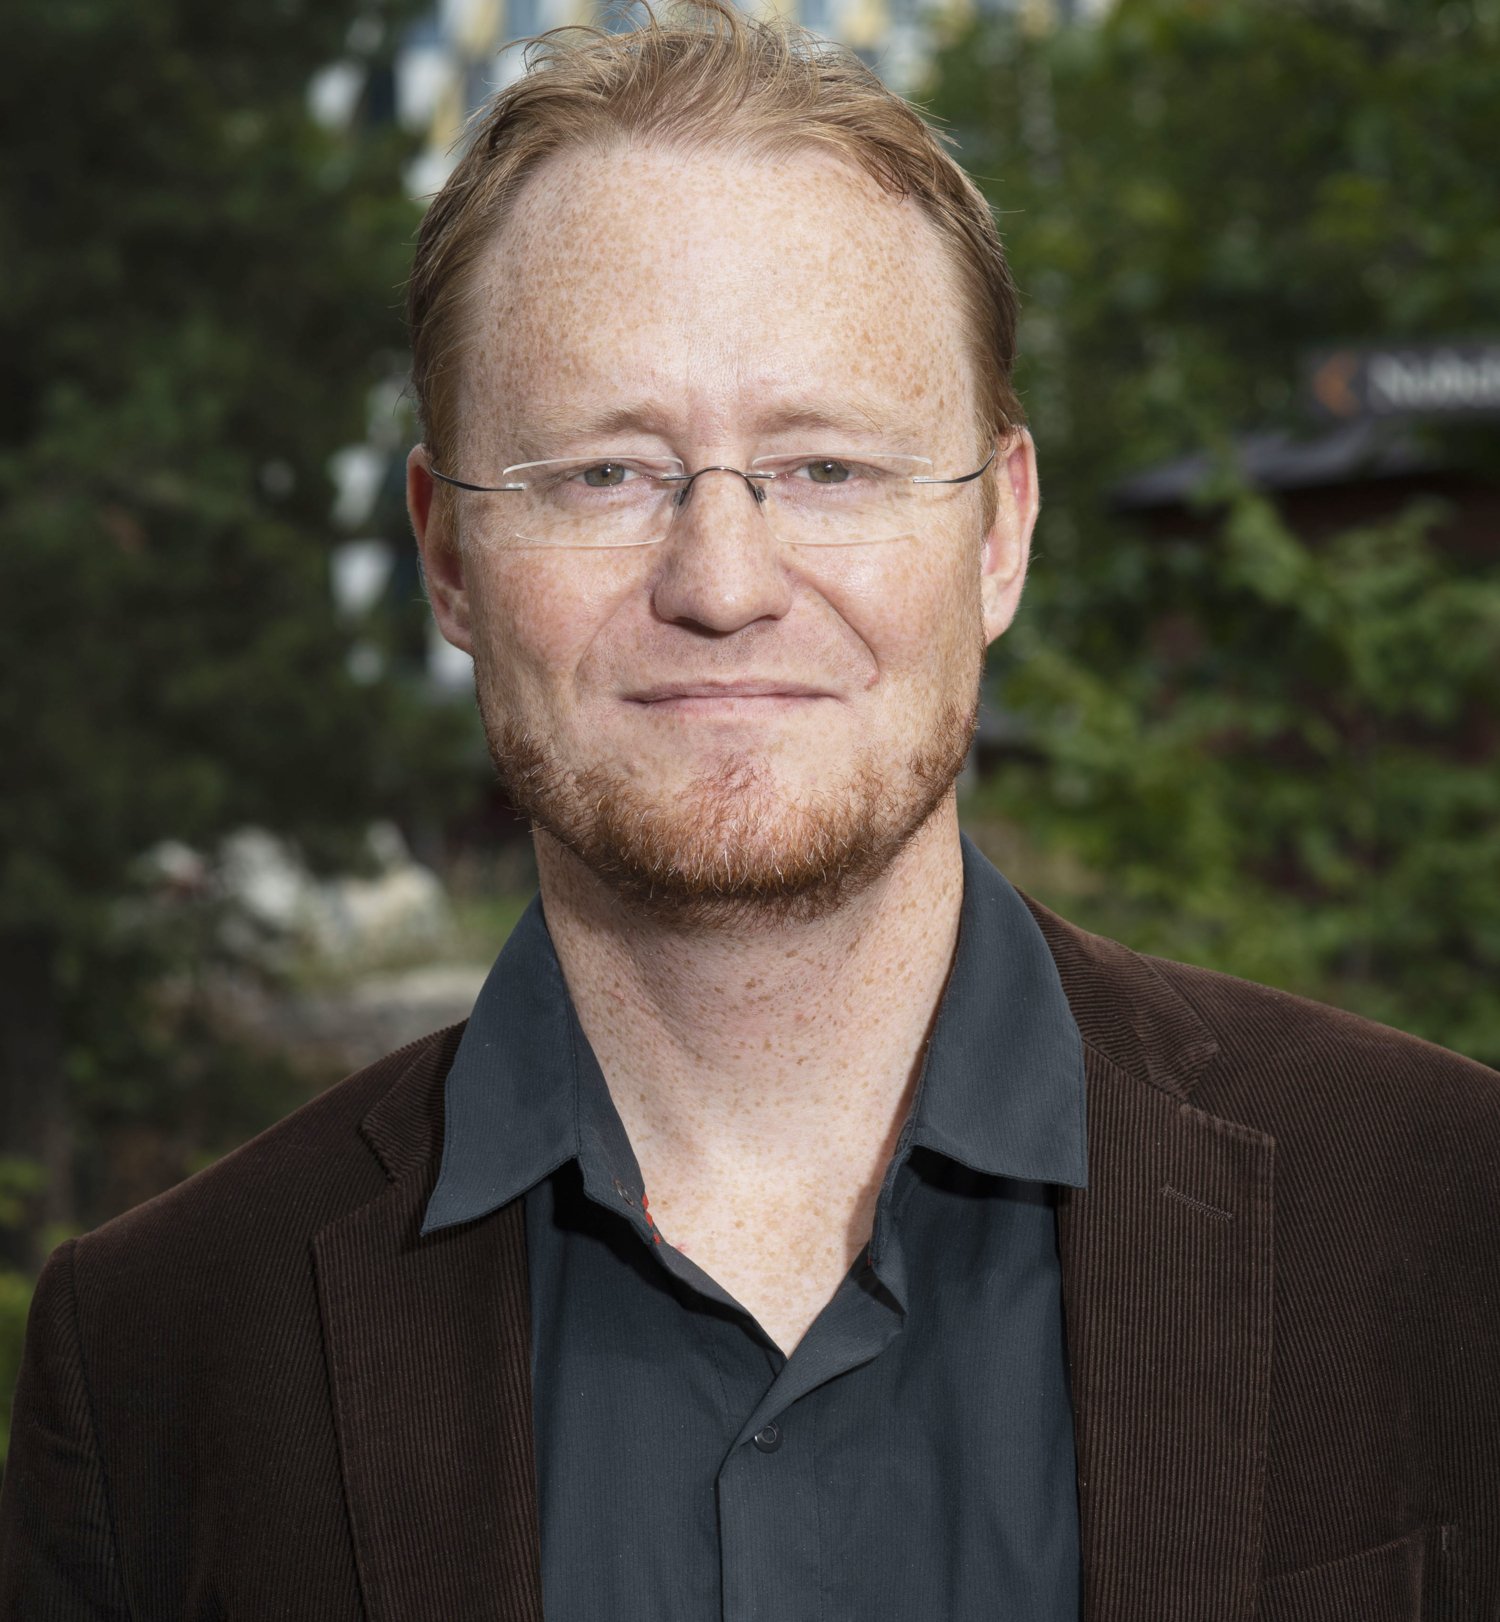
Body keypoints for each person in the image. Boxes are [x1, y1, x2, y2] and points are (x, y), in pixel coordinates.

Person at [3, 3, 1497, 1616]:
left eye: (830, 468)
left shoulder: (1444, 1210)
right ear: (446, 554)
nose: (722, 585)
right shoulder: (158, 1359)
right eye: (603, 473)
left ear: (1000, 533)